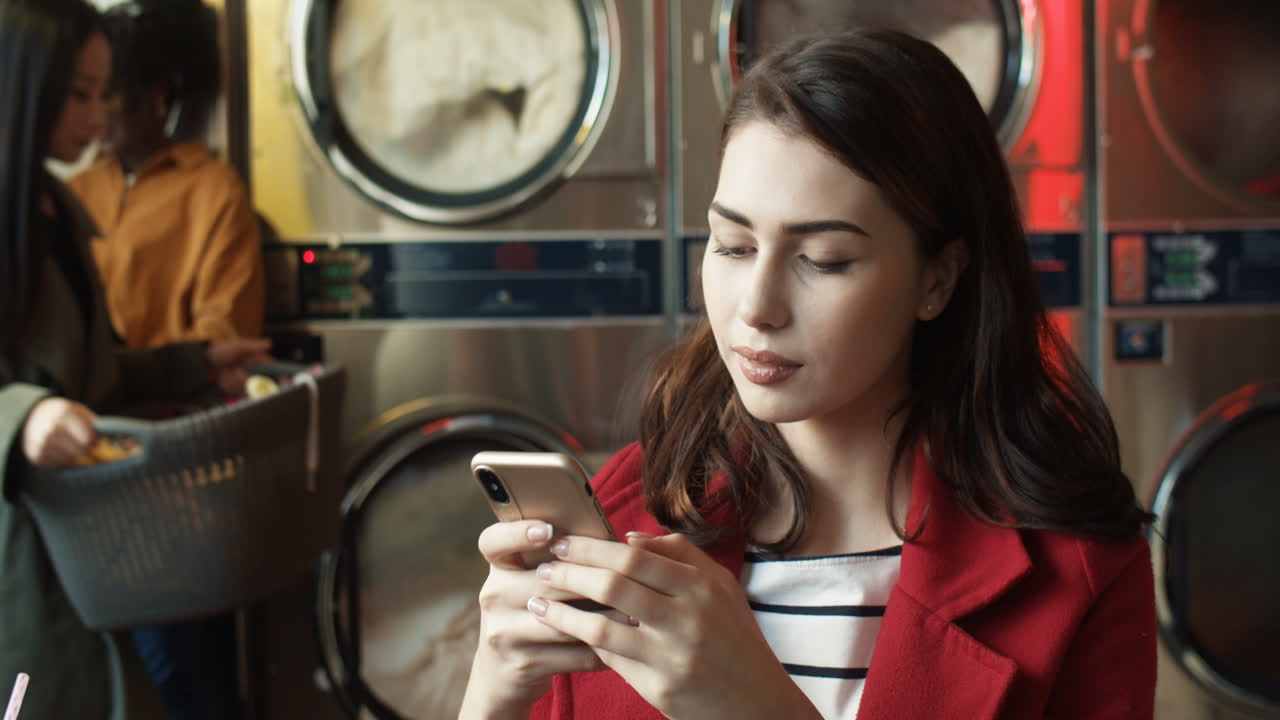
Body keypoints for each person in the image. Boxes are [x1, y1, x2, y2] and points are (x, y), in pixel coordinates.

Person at [459, 30, 1157, 720]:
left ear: (937, 279)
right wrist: (491, 692)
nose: (756, 308)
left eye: (823, 259)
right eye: (733, 246)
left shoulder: (1080, 567)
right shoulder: (626, 517)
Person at [0, 0, 269, 717]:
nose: (95, 115)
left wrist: (195, 364)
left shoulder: (49, 203)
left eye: (103, 90)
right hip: (29, 540)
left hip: (103, 520)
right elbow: (40, 392)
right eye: (79, 93)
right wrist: (23, 417)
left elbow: (96, 372)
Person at [68, 0, 263, 350]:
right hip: (74, 400)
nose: (96, 116)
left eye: (108, 96)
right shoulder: (74, 191)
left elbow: (224, 326)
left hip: (175, 400)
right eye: (84, 95)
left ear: (156, 98)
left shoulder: (213, 191)